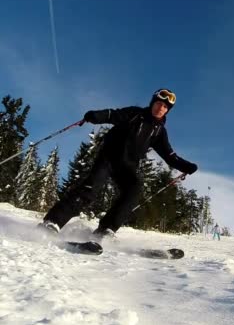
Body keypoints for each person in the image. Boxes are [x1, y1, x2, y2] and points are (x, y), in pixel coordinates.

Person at [38, 89, 198, 241]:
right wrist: (95, 116)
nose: (161, 108)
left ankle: (105, 230)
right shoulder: (135, 114)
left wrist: (187, 167)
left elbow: (170, 156)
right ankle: (53, 222)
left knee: (134, 189)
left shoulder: (159, 132)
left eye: (165, 107)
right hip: (108, 157)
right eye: (158, 103)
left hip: (127, 166)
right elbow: (113, 115)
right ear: (152, 103)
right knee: (90, 189)